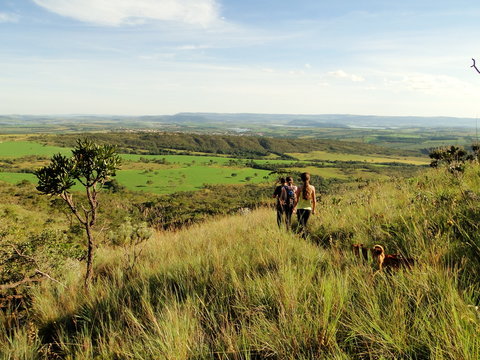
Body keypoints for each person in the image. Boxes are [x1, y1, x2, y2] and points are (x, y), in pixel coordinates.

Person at [294, 172, 316, 238]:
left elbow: (296, 200)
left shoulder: (299, 187)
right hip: (308, 209)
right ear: (309, 179)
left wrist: (294, 207)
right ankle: (304, 237)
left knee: (301, 225)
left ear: (302, 179)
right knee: (304, 224)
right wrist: (313, 210)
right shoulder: (312, 188)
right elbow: (314, 200)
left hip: (300, 209)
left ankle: (302, 237)